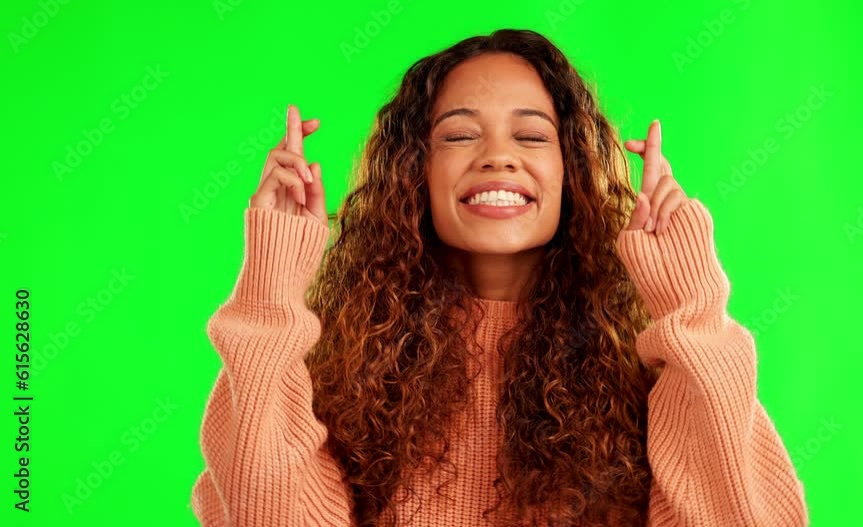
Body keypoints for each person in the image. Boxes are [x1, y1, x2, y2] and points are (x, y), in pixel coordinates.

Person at [191, 29, 807, 527]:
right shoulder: (347, 373)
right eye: (459, 134)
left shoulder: (645, 370)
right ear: (415, 175)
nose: (497, 155)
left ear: (572, 175)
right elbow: (261, 512)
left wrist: (689, 306)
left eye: (532, 135)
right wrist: (270, 293)